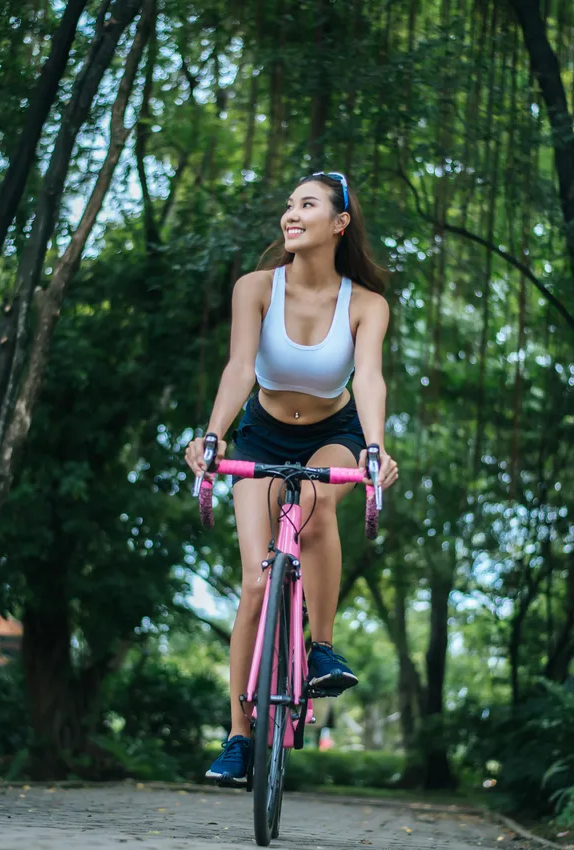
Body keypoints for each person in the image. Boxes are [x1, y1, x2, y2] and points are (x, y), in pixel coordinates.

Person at [184, 171, 399, 786]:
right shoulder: (255, 288)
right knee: (255, 585)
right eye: (288, 205)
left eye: (307, 204)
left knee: (318, 502)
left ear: (340, 223)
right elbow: (239, 367)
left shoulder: (366, 304)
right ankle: (239, 736)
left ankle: (322, 646)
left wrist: (375, 448)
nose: (290, 214)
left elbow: (370, 380)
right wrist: (213, 433)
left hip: (335, 432)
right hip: (262, 432)